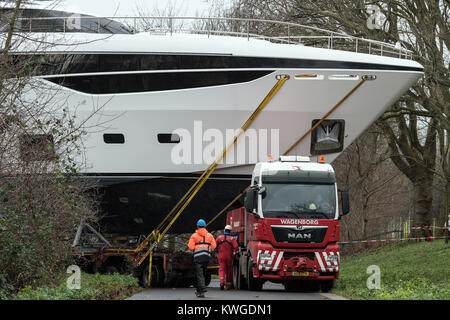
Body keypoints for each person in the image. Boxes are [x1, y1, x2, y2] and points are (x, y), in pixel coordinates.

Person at [188, 219, 216, 298]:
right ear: (205, 226)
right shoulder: (210, 235)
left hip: (198, 258)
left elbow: (190, 246)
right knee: (203, 273)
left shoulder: (194, 236)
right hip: (206, 257)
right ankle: (199, 291)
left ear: (197, 226)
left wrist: (197, 247)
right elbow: (214, 246)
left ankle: (202, 289)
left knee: (200, 274)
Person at [215, 224, 239, 290]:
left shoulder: (219, 238)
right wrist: (237, 255)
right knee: (229, 270)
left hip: (221, 256)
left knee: (222, 269)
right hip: (229, 257)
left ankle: (222, 282)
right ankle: (228, 285)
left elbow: (214, 246)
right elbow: (236, 247)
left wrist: (217, 252)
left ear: (224, 230)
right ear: (230, 231)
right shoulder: (232, 239)